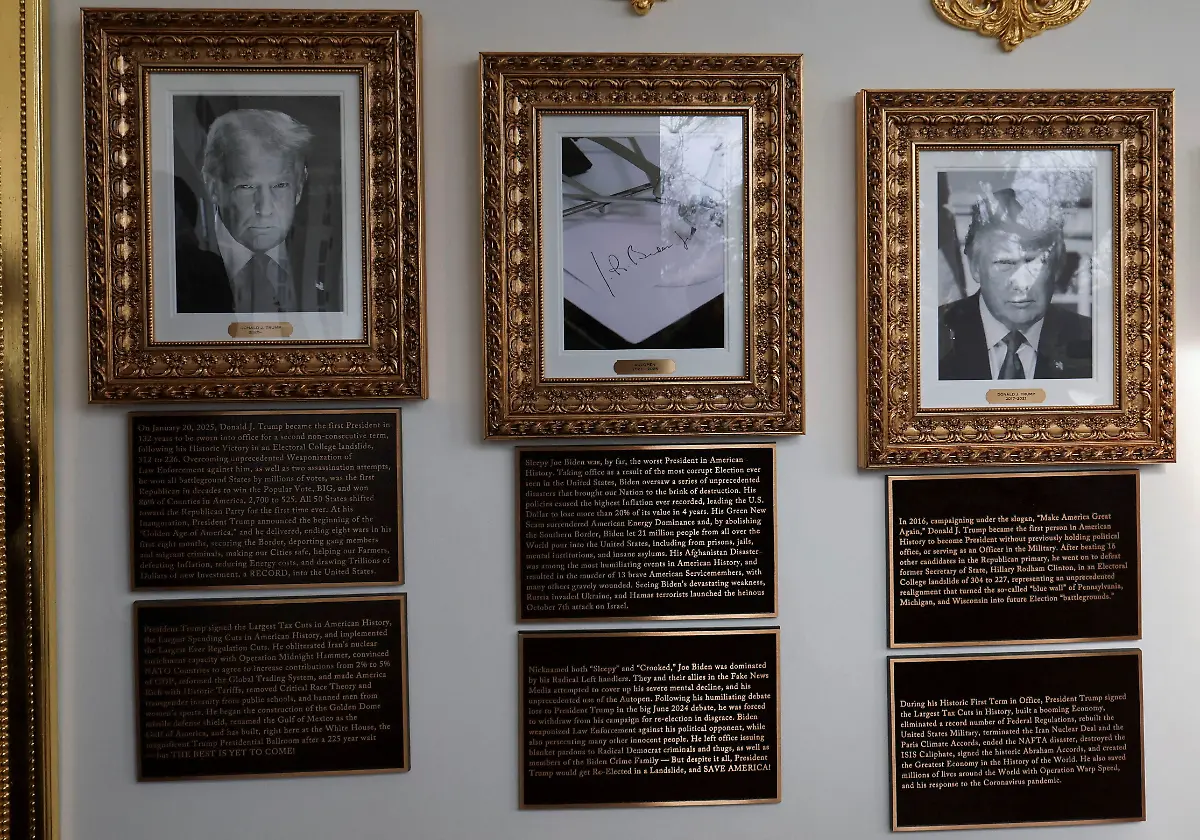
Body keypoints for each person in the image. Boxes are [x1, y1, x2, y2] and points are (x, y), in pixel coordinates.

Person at [176, 108, 330, 314]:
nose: (265, 209)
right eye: (247, 187)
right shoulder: (176, 272)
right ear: (215, 189)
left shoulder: (337, 265)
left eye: (280, 186)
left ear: (299, 188)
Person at [937, 186, 1092, 381]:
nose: (1021, 283)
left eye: (1034, 262)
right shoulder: (928, 337)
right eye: (1005, 263)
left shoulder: (1095, 342)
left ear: (1058, 266)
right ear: (975, 267)